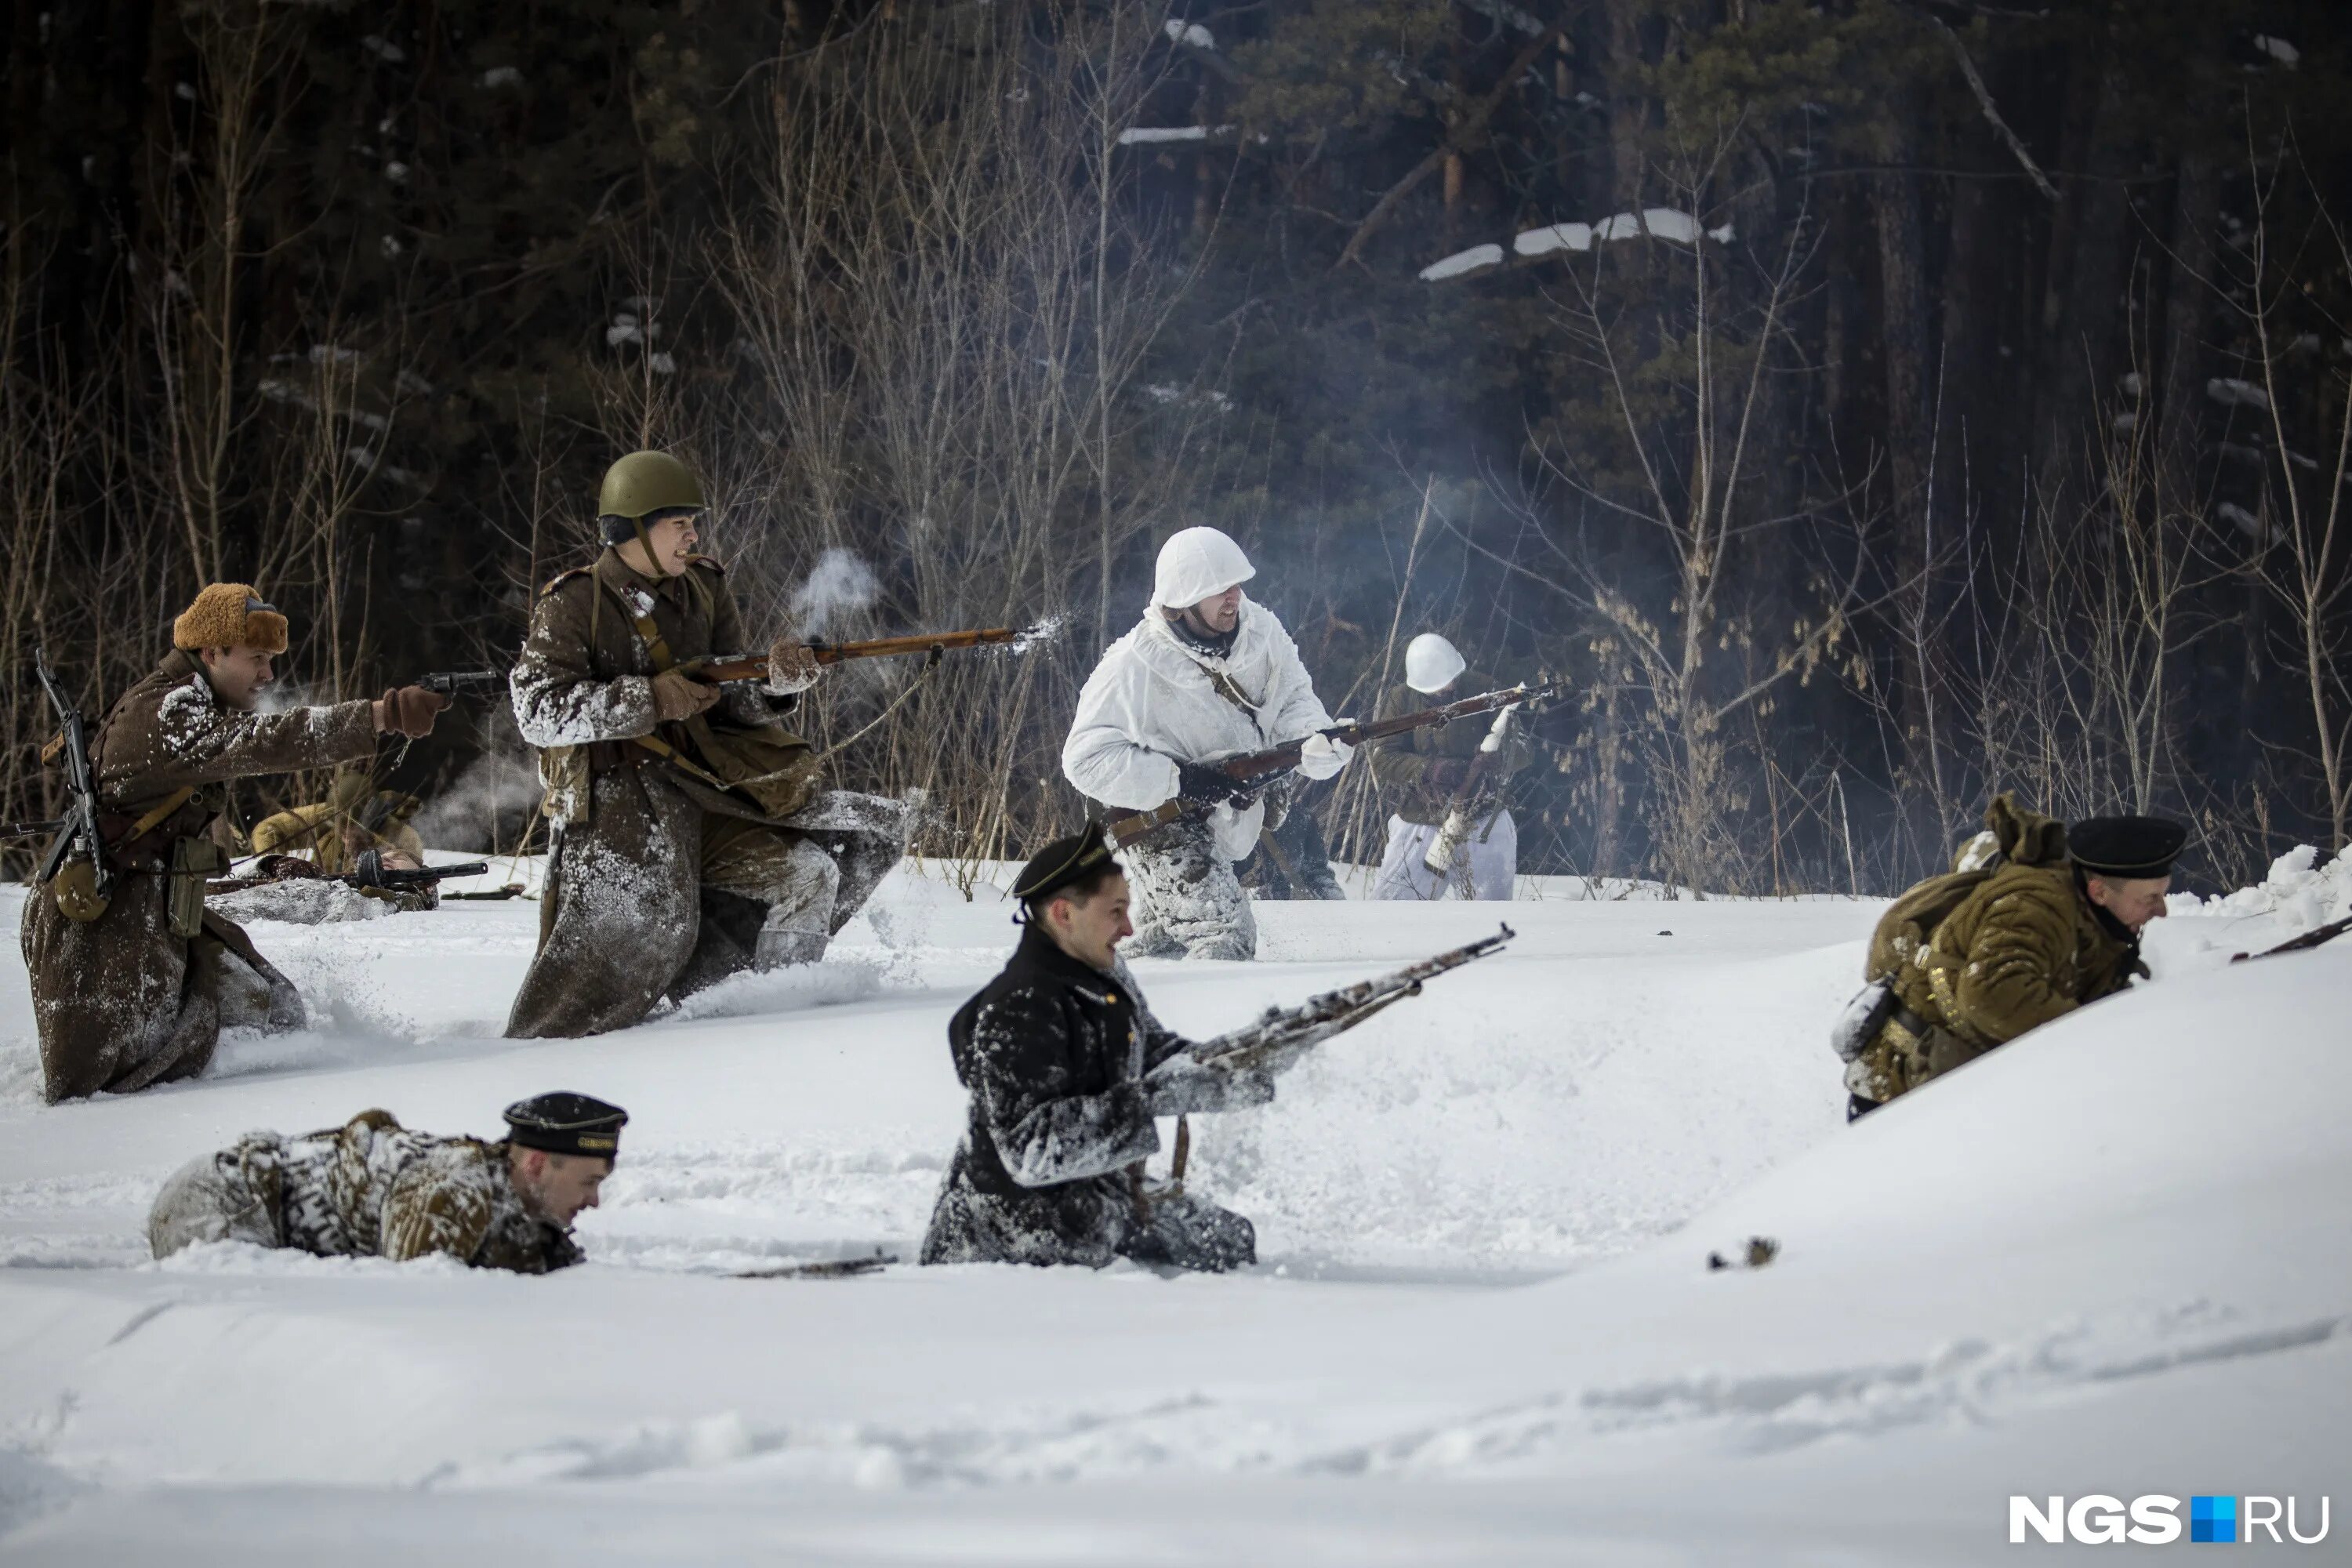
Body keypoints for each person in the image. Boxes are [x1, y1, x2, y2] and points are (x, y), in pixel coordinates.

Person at [503, 450, 913, 1038]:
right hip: (621, 819)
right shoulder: (573, 605)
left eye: (694, 522)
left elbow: (725, 696)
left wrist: (772, 684)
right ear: (632, 530)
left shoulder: (703, 588)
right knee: (607, 976)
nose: (693, 534)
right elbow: (538, 712)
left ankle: (771, 1019)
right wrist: (648, 700)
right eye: (679, 522)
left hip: (707, 793)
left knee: (820, 868)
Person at [19, 583, 448, 1102]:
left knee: (273, 1008)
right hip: (99, 929)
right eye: (258, 658)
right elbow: (269, 741)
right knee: (107, 1088)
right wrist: (383, 714)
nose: (268, 674)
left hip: (149, 910)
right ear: (211, 652)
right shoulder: (168, 714)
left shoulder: (187, 702)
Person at [920, 833, 1287, 1272]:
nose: (1130, 928)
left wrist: (1239, 1061)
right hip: (1009, 1236)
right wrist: (1150, 1100)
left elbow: (1154, 1052)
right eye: (1116, 911)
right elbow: (1031, 1151)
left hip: (1093, 1197)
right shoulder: (1020, 1007)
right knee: (1209, 1258)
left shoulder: (1104, 974)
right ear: (1063, 914)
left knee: (1230, 1240)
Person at [1062, 527, 1352, 960]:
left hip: (1237, 807)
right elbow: (1084, 760)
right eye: (1218, 590)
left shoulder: (1262, 632)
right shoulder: (1132, 665)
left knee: (1171, 936)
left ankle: (1140, 969)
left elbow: (1293, 700)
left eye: (1235, 584)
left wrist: (1313, 742)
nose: (1233, 597)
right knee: (1224, 935)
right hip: (1161, 819)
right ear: (1183, 600)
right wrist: (1180, 781)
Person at [1842, 795, 2184, 1117]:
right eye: (2150, 898)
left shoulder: (2091, 917)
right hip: (1900, 1093)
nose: (2162, 910)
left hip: (1944, 1089)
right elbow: (1991, 993)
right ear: (2099, 891)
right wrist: (2095, 1038)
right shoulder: (2036, 906)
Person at [146, 1091, 625, 1274]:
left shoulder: (522, 1202)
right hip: (221, 1203)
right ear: (538, 1165)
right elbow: (411, 1303)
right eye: (589, 1182)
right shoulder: (452, 1194)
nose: (594, 1201)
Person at [1369, 633, 1525, 902]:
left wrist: (1498, 758)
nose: (1447, 689)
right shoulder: (1402, 699)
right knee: (1391, 913)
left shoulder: (1485, 689)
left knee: (1490, 919)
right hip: (1421, 818)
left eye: (1450, 681)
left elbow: (1523, 750)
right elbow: (1383, 758)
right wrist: (1429, 769)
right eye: (1437, 687)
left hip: (1482, 817)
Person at [241, 771, 439, 913]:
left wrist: (361, 854)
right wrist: (275, 864)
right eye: (339, 825)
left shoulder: (403, 836)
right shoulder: (332, 812)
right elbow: (267, 831)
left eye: (349, 825)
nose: (343, 832)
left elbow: (404, 892)